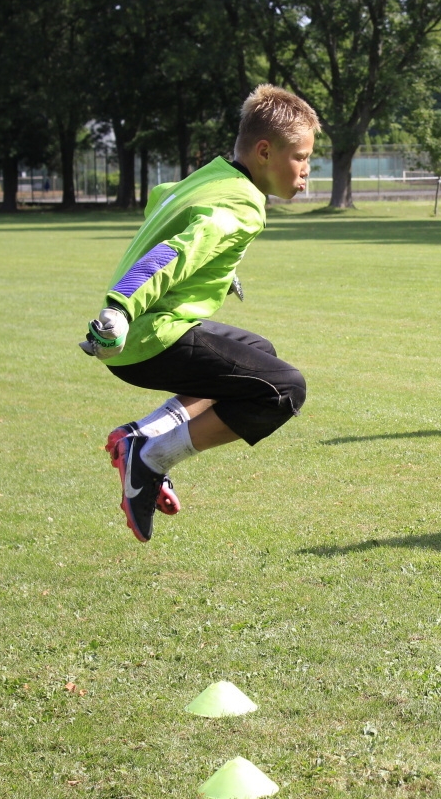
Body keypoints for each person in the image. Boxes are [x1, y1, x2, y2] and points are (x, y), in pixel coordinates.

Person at [78, 84, 319, 542]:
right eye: (301, 158)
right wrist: (120, 309)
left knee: (257, 355)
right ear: (265, 151)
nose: (307, 171)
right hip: (149, 337)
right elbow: (173, 254)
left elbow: (164, 198)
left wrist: (220, 270)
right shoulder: (244, 205)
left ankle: (139, 436)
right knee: (284, 389)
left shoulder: (210, 176)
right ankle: (150, 458)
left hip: (152, 332)